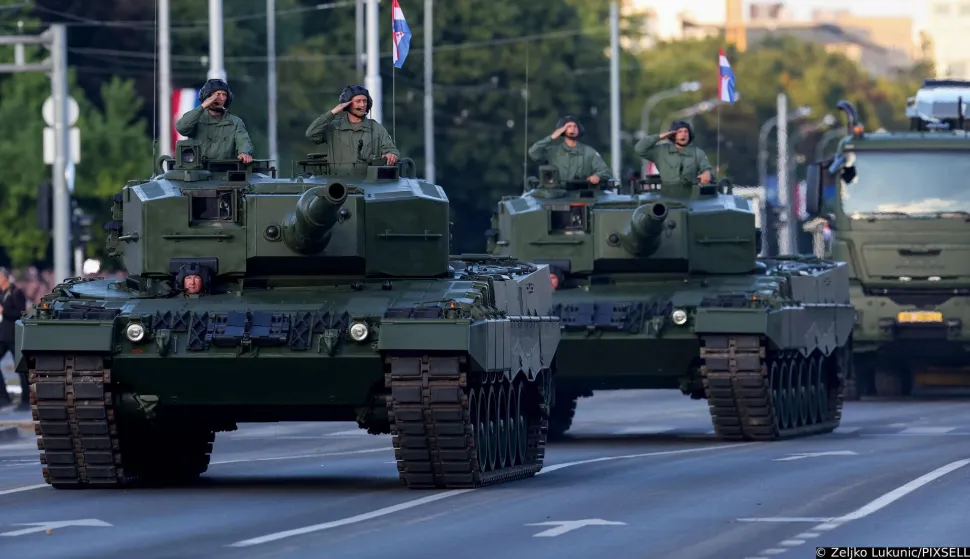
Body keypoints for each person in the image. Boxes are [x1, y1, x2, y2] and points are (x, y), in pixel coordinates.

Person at [305, 84, 400, 176]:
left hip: (368, 184)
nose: (362, 105)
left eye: (365, 101)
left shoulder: (376, 129)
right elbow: (311, 134)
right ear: (347, 104)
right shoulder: (334, 127)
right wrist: (332, 113)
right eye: (358, 101)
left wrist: (391, 155)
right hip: (336, 184)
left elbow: (391, 150)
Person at [175, 78, 254, 164]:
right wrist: (203, 106)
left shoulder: (235, 122)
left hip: (224, 170)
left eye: (224, 95)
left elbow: (243, 140)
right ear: (208, 96)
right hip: (197, 170)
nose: (222, 98)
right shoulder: (196, 118)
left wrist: (244, 153)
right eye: (217, 95)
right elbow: (181, 127)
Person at [634, 120, 713, 198]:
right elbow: (640, 149)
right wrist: (660, 137)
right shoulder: (662, 151)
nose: (684, 134)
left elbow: (707, 169)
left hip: (689, 196)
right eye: (679, 132)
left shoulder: (697, 153)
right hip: (666, 196)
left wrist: (706, 174)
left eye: (686, 131)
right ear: (673, 134)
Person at [528, 116, 613, 187]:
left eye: (575, 126)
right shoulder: (553, 151)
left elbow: (605, 171)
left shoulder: (589, 152)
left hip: (582, 194)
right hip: (556, 195)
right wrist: (551, 137)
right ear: (562, 130)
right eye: (568, 126)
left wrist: (597, 176)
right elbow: (533, 153)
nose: (572, 128)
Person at [0, 268, 27, 410]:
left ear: (4, 278)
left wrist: (4, 311)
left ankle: (26, 400)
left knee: (21, 369)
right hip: (3, 336)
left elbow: (20, 312)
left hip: (14, 335)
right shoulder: (2, 293)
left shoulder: (16, 292)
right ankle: (3, 397)